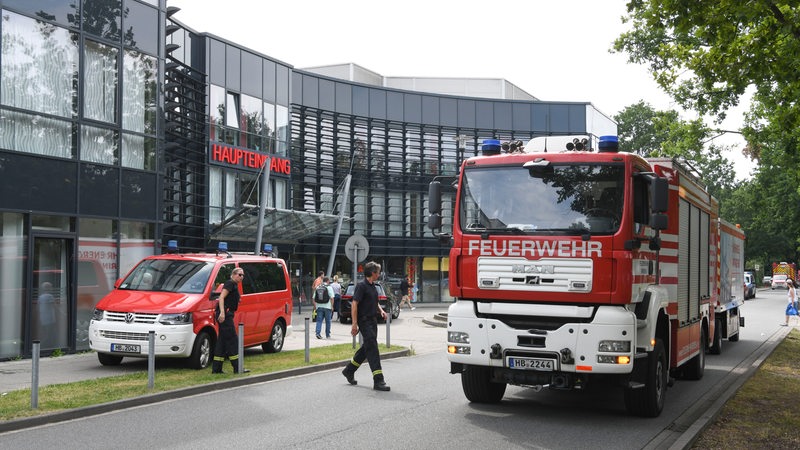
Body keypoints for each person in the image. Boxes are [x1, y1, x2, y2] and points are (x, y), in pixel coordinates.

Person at [341, 261, 390, 391]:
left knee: (367, 348)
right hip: (364, 321)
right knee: (373, 348)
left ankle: (349, 370)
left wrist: (381, 310)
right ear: (372, 273)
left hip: (373, 321)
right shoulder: (361, 286)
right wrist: (354, 324)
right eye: (378, 272)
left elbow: (375, 301)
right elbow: (354, 304)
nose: (379, 274)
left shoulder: (373, 286)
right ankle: (378, 381)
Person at [212, 268, 245, 373]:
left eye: (243, 275)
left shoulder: (234, 285)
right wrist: (222, 313)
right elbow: (221, 298)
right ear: (234, 274)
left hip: (228, 313)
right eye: (240, 275)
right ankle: (237, 367)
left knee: (222, 341)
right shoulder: (230, 283)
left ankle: (216, 369)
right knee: (232, 340)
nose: (242, 277)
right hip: (225, 314)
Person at [37, 282, 56, 347]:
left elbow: (38, 307)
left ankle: (48, 345)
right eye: (50, 287)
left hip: (43, 318)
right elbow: (55, 306)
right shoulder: (50, 296)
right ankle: (41, 346)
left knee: (47, 333)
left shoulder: (40, 297)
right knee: (49, 334)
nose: (52, 288)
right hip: (50, 319)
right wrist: (64, 313)